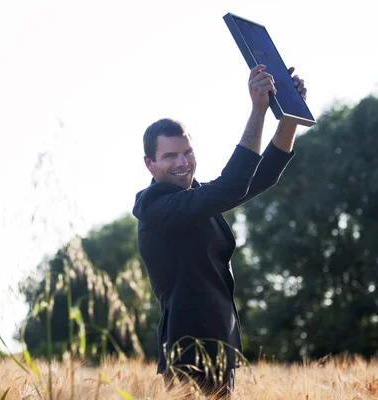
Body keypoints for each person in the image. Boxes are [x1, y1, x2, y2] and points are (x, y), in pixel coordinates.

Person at [132, 64, 307, 398]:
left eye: (187, 152)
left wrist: (289, 117)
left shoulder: (196, 201)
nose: (182, 162)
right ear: (149, 164)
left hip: (219, 349)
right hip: (188, 354)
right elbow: (230, 186)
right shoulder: (157, 209)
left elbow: (260, 177)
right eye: (169, 156)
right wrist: (258, 110)